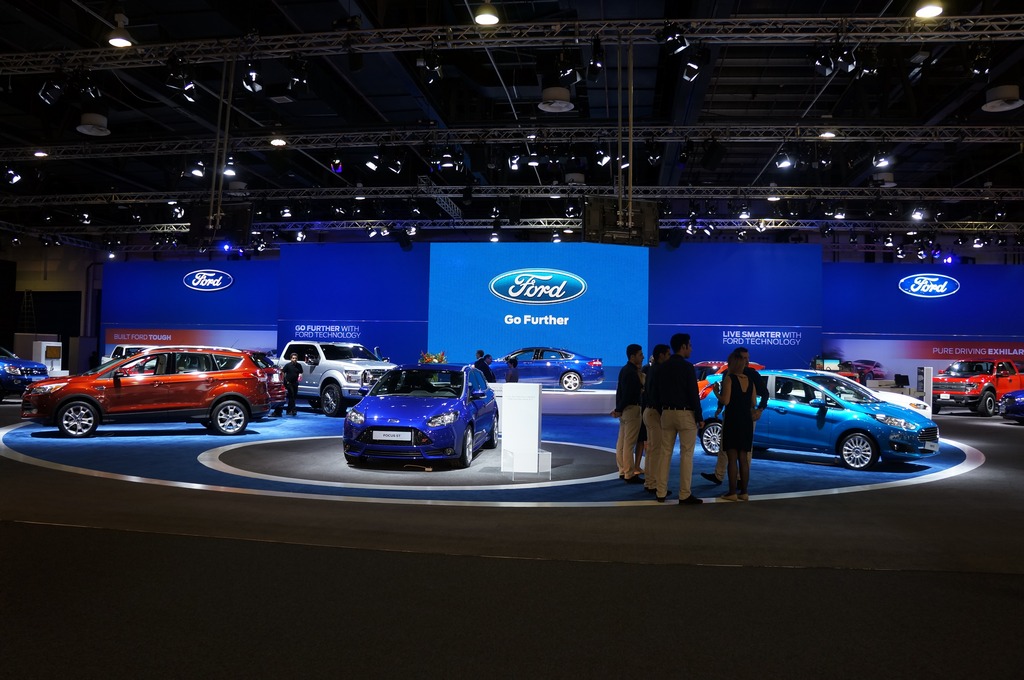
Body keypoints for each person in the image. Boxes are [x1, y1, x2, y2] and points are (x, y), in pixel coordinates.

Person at [702, 346, 768, 487]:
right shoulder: (732, 375)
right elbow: (752, 399)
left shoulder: (747, 374)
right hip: (739, 415)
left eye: (748, 358)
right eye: (744, 358)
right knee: (734, 449)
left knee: (737, 450)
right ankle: (726, 478)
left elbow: (763, 394)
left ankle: (737, 481)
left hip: (739, 415)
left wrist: (760, 409)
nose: (747, 361)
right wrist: (720, 407)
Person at [654, 333, 703, 505]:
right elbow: (693, 394)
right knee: (686, 455)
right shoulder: (687, 367)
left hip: (666, 413)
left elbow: (656, 391)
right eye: (690, 345)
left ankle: (660, 492)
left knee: (665, 453)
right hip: (685, 414)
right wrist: (699, 416)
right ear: (683, 346)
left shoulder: (663, 367)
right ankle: (684, 494)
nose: (691, 349)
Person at [715, 350, 757, 501]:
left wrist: (716, 393)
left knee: (732, 457)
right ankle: (744, 492)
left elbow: (725, 400)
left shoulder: (729, 379)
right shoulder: (750, 381)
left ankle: (732, 492)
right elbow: (753, 402)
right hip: (746, 421)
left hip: (733, 420)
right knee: (743, 458)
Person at [612, 343, 645, 484]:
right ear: (632, 356)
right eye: (640, 354)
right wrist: (619, 409)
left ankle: (623, 470)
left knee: (622, 442)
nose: (643, 357)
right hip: (632, 410)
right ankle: (629, 473)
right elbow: (628, 394)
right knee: (629, 443)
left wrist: (619, 409)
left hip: (625, 411)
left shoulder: (624, 370)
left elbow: (620, 393)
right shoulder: (632, 372)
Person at [642, 344, 671, 499]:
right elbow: (659, 394)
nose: (669, 357)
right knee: (656, 450)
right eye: (668, 354)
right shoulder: (660, 371)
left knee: (652, 450)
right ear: (661, 355)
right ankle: (653, 484)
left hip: (648, 411)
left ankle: (649, 482)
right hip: (655, 413)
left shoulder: (651, 369)